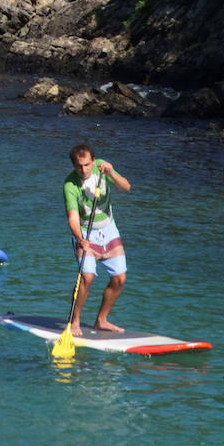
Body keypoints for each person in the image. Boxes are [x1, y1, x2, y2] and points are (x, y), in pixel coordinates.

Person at [64, 142, 132, 334]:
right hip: (85, 232)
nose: (83, 169)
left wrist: (111, 173)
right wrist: (80, 238)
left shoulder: (102, 169)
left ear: (93, 161)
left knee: (119, 278)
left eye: (86, 164)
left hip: (109, 230)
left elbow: (126, 187)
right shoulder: (70, 185)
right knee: (87, 277)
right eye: (78, 166)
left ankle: (101, 320)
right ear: (74, 165)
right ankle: (75, 321)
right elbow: (73, 217)